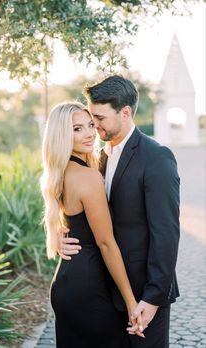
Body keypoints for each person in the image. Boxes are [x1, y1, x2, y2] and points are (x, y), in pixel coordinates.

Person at [59, 75, 180, 348]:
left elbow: (167, 234)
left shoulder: (156, 157)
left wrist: (152, 298)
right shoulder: (97, 158)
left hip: (142, 293)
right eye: (91, 119)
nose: (94, 126)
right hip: (103, 291)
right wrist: (59, 235)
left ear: (125, 113)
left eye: (99, 118)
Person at [40, 101, 144, 348]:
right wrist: (131, 302)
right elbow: (106, 243)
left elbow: (64, 220)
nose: (89, 133)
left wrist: (56, 239)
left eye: (90, 125)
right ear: (61, 135)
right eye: (77, 129)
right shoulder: (87, 176)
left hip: (67, 281)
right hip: (88, 286)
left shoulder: (61, 172)